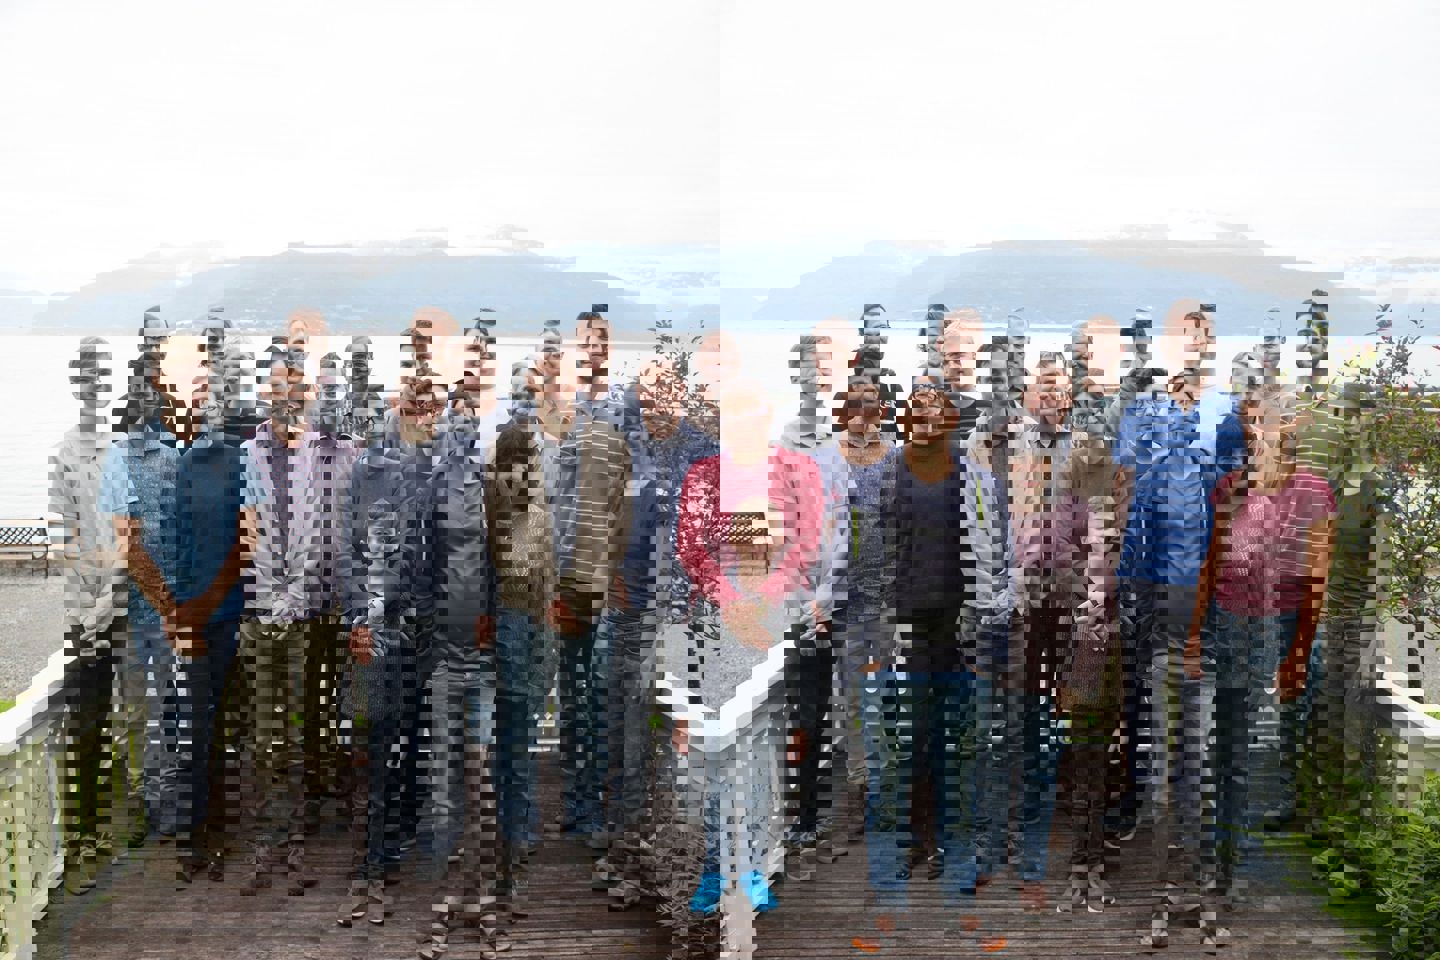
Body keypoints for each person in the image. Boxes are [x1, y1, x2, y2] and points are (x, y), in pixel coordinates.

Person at [1116, 305, 1240, 947]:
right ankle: (1169, 892)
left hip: (1212, 617)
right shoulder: (1146, 414)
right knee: (1165, 759)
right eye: (1185, 335)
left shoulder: (1228, 413)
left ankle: (1202, 891)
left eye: (1204, 336)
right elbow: (1130, 512)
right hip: (1159, 613)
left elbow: (1240, 511)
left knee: (1203, 759)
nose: (1194, 345)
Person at [1186, 385, 1333, 924]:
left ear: (1291, 428)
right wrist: (1195, 633)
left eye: (1268, 421)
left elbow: (1316, 581)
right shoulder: (1229, 487)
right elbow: (1211, 563)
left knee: (1259, 745)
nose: (1258, 432)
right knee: (1227, 745)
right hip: (1230, 621)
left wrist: (1298, 655)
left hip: (1281, 624)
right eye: (1250, 423)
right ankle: (1222, 858)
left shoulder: (1314, 491)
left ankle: (1238, 864)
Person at [237, 347, 357, 893]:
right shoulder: (250, 453)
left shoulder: (322, 454)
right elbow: (249, 530)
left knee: (307, 722)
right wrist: (272, 597)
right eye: (277, 384)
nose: (286, 394)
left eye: (295, 385)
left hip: (310, 612)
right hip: (261, 613)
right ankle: (269, 841)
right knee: (266, 731)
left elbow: (321, 531)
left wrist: (297, 595)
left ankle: (297, 842)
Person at [337, 371, 442, 927]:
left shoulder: (446, 471)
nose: (422, 415)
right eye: (413, 405)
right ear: (397, 408)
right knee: (374, 741)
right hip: (377, 632)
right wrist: (358, 620)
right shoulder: (366, 470)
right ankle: (371, 857)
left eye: (431, 407)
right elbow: (349, 552)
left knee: (417, 739)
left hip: (430, 633)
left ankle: (404, 835)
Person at [890, 376, 991, 900]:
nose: (926, 417)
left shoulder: (964, 466)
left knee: (960, 734)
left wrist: (975, 607)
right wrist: (890, 616)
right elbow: (885, 542)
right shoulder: (895, 466)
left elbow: (981, 536)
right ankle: (918, 839)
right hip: (913, 619)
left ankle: (958, 844)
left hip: (958, 618)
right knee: (917, 731)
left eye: (935, 409)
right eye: (918, 409)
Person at [101, 308, 183, 845]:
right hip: (145, 604)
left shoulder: (170, 457)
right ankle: (151, 803)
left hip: (162, 603)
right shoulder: (125, 459)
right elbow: (129, 544)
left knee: (159, 707)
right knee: (147, 708)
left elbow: (172, 533)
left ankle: (160, 802)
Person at [552, 309, 631, 846]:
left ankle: (602, 805)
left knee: (603, 692)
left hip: (610, 578)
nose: (593, 349)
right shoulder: (558, 409)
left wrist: (621, 569)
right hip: (566, 577)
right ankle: (576, 801)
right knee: (573, 692)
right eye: (585, 341)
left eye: (600, 340)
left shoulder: (626, 409)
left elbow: (633, 492)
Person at [53, 337, 121, 895]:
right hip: (82, 616)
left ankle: (119, 821)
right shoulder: (63, 453)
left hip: (120, 608)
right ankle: (82, 834)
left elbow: (128, 538)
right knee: (85, 725)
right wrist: (85, 613)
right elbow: (64, 537)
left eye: (102, 376)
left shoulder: (121, 452)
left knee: (131, 718)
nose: (95, 386)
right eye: (87, 376)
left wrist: (106, 600)